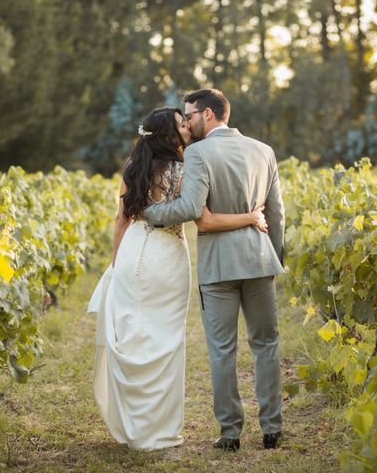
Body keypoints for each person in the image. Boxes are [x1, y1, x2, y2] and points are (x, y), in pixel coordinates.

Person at [88, 106, 268, 451]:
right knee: (167, 342)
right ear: (170, 136)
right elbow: (206, 219)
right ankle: (159, 430)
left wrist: (115, 265)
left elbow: (121, 221)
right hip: (169, 256)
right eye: (181, 123)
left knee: (133, 335)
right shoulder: (188, 167)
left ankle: (134, 426)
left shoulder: (133, 169)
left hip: (134, 253)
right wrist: (250, 216)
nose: (188, 125)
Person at [144, 89, 285, 451]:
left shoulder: (198, 152)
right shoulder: (264, 151)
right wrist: (275, 257)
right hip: (259, 260)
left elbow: (191, 207)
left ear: (208, 114)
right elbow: (276, 215)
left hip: (218, 265)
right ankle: (272, 428)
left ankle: (230, 432)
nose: (187, 121)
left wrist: (148, 213)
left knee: (222, 350)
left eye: (189, 114)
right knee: (266, 344)